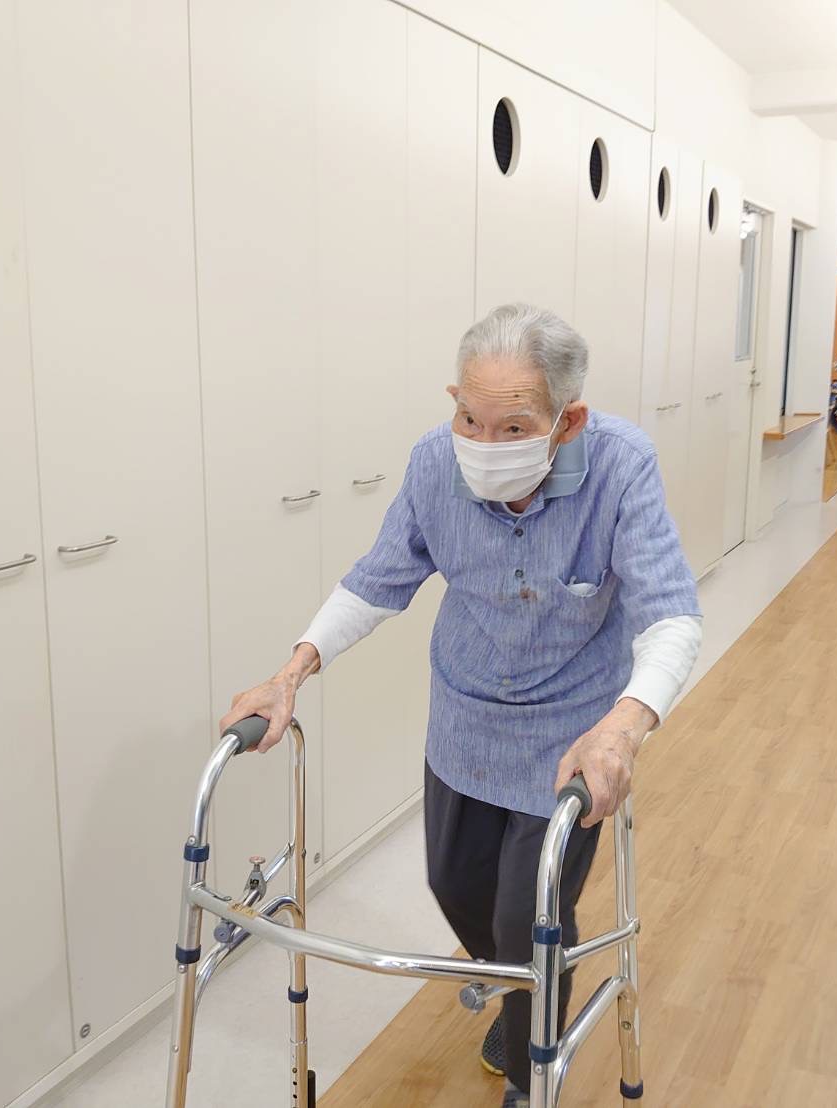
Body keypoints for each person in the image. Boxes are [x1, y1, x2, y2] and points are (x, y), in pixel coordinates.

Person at [223, 303, 703, 1107]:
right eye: (468, 418)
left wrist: (623, 728)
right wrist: (290, 672)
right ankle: (521, 976)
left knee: (526, 919)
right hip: (465, 722)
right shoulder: (431, 464)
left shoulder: (620, 466)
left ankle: (527, 1072)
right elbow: (378, 578)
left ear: (567, 421)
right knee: (454, 888)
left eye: (512, 428)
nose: (482, 442)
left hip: (570, 735)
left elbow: (670, 614)